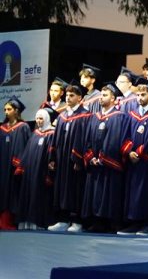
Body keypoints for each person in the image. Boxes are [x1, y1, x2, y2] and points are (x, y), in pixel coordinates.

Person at [81, 83, 130, 232]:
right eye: (101, 95)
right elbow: (87, 139)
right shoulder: (95, 117)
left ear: (113, 98)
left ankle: (111, 223)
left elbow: (115, 140)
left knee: (110, 194)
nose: (101, 98)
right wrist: (91, 156)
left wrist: (103, 157)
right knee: (95, 193)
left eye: (105, 95)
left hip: (109, 165)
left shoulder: (119, 116)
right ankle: (97, 222)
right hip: (95, 164)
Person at [47, 84, 94, 233]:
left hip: (75, 161)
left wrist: (79, 159)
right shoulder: (62, 116)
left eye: (72, 95)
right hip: (62, 159)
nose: (68, 98)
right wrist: (52, 158)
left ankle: (77, 221)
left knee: (75, 189)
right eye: (67, 95)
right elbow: (55, 139)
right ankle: (63, 219)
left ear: (79, 98)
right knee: (61, 188)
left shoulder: (86, 116)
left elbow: (87, 139)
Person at [119, 78, 148, 235]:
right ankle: (134, 223)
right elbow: (125, 135)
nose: (139, 98)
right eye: (138, 95)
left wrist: (139, 152)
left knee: (146, 192)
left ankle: (147, 225)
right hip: (133, 162)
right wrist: (129, 151)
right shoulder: (132, 114)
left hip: (147, 161)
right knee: (132, 192)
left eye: (143, 95)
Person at [15, 108, 56, 229]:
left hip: (41, 172)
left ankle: (38, 223)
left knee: (38, 196)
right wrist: (21, 168)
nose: (38, 121)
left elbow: (52, 154)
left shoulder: (52, 134)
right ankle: (26, 221)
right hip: (30, 171)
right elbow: (27, 151)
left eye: (41, 118)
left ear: (47, 119)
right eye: (37, 118)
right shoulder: (35, 133)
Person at [1, 97, 31, 229]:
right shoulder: (2, 128)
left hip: (16, 168)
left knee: (14, 192)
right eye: (5, 110)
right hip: (3, 166)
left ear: (16, 111)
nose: (6, 112)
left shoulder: (23, 127)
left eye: (9, 109)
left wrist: (20, 163)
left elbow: (27, 147)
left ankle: (12, 220)